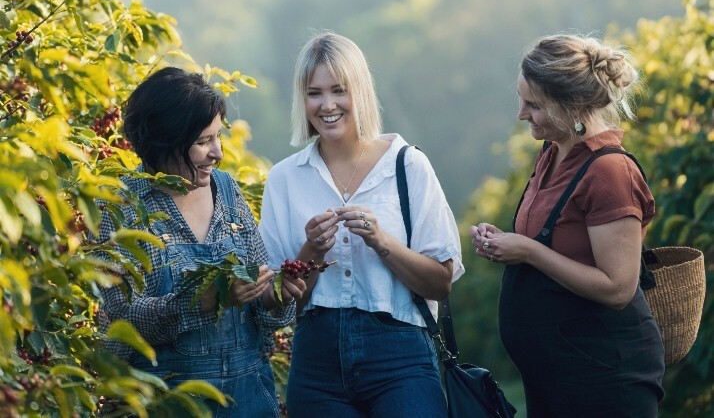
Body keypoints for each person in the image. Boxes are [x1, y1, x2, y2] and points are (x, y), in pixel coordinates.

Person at [258, 32, 464, 417]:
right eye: (314, 93)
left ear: (361, 92)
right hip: (316, 360)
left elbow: (441, 282)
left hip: (400, 357)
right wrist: (310, 253)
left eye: (339, 90)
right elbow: (276, 302)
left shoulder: (407, 166)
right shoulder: (284, 179)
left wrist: (381, 240)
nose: (327, 105)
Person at [470, 34, 665, 417]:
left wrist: (528, 251)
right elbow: (557, 242)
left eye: (534, 105)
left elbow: (618, 288)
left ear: (572, 106)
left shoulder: (609, 171)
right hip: (554, 377)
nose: (521, 114)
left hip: (604, 376)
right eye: (521, 100)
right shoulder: (553, 153)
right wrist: (504, 242)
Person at [96, 67, 306, 417]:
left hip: (247, 400)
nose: (217, 152)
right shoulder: (121, 206)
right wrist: (203, 301)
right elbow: (120, 317)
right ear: (165, 140)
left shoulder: (227, 190)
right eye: (202, 141)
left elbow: (262, 313)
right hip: (161, 403)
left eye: (218, 137)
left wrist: (273, 296)